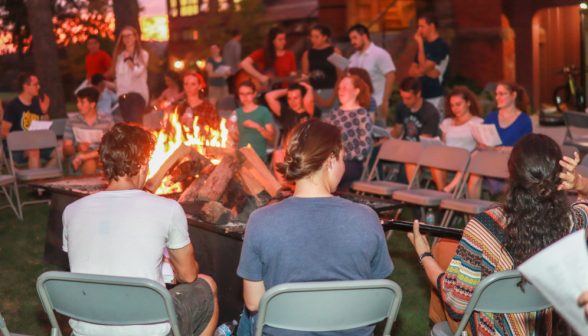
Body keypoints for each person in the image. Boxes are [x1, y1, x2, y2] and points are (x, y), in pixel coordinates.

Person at [408, 133, 588, 336]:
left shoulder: (482, 227)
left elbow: (457, 304)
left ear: (511, 172)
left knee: (443, 254)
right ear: (559, 175)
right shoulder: (572, 223)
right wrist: (580, 182)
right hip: (542, 330)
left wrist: (424, 254)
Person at [237, 119, 394, 336]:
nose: (343, 165)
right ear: (330, 160)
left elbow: (254, 302)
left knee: (248, 315)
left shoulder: (260, 220)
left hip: (285, 330)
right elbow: (378, 294)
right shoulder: (367, 218)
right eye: (342, 158)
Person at [63, 123, 218, 336]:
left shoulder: (72, 211)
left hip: (87, 329)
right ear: (144, 163)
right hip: (146, 329)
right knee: (207, 284)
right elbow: (189, 275)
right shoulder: (168, 208)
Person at [469, 81, 533, 198]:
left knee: (476, 162)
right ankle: (474, 213)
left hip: (509, 162)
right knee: (475, 171)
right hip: (489, 159)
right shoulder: (491, 117)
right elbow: (482, 141)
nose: (497, 97)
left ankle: (454, 186)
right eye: (496, 94)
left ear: (513, 95)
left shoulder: (524, 120)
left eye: (501, 94)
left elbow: (526, 150)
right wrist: (483, 144)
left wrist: (502, 149)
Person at [430, 86, 483, 192]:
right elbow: (444, 143)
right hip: (447, 159)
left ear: (468, 103)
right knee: (434, 161)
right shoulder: (447, 122)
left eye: (458, 104)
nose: (455, 108)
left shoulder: (477, 122)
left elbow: (480, 148)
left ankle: (445, 194)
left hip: (466, 161)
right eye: (452, 105)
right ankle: (442, 194)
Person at [1, 72, 57, 170]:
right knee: (34, 152)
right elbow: (4, 133)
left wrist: (44, 112)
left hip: (36, 143)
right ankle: (38, 182)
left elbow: (48, 129)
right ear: (26, 86)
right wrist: (24, 141)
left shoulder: (37, 103)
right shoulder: (13, 106)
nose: (39, 87)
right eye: (35, 84)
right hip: (18, 148)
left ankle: (42, 179)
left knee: (61, 152)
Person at [326, 75, 373, 190]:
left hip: (351, 162)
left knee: (329, 174)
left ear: (356, 91)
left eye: (345, 87)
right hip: (329, 161)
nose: (340, 91)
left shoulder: (361, 114)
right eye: (339, 88)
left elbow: (365, 146)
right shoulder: (333, 113)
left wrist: (342, 156)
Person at [390, 77, 439, 183]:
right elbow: (397, 131)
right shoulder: (401, 106)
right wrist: (386, 140)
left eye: (408, 98)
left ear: (418, 94)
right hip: (404, 146)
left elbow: (424, 141)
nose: (404, 101)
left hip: (419, 150)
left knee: (408, 163)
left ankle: (403, 194)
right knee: (377, 150)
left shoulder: (430, 112)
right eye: (402, 97)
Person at [265, 82, 315, 184]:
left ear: (302, 98)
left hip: (304, 154)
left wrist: (308, 89)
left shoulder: (308, 112)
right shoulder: (285, 113)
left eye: (296, 98)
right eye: (289, 98)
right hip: (288, 154)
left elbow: (309, 101)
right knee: (277, 153)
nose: (292, 102)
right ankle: (285, 187)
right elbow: (269, 96)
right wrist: (288, 90)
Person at [348, 24, 396, 122]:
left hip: (377, 102)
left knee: (378, 134)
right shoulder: (353, 58)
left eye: (355, 38)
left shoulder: (379, 54)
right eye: (351, 39)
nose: (352, 42)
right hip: (358, 106)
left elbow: (390, 76)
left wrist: (385, 101)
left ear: (364, 36)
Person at [63, 87, 114, 175]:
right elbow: (65, 149)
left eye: (82, 102)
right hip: (79, 154)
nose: (78, 105)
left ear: (92, 104)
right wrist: (77, 148)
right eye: (78, 102)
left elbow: (110, 147)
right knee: (89, 164)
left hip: (101, 155)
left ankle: (83, 158)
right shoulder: (72, 121)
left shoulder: (107, 121)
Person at [408, 13, 450, 121]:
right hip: (421, 96)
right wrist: (426, 70)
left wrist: (420, 44)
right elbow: (412, 71)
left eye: (422, 26)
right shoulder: (425, 45)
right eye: (418, 26)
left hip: (435, 95)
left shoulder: (441, 45)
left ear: (432, 26)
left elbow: (424, 68)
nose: (419, 30)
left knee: (436, 127)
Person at [107, 26, 149, 125]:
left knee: (136, 124)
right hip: (123, 95)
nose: (127, 39)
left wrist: (128, 60)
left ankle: (141, 140)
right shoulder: (119, 56)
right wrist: (113, 84)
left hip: (137, 94)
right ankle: (131, 140)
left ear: (135, 37)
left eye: (129, 36)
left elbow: (137, 73)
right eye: (124, 36)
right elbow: (119, 77)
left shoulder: (142, 54)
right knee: (128, 125)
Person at [301, 25, 342, 114]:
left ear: (325, 37)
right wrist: (316, 98)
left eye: (317, 37)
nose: (313, 39)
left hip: (332, 91)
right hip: (314, 92)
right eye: (312, 37)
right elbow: (305, 78)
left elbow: (342, 76)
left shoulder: (335, 51)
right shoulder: (307, 54)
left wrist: (332, 97)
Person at [232, 81, 274, 162]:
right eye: (242, 94)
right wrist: (231, 130)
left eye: (248, 93)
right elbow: (237, 138)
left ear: (254, 94)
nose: (245, 97)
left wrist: (257, 126)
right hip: (241, 156)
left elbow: (271, 136)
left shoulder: (263, 111)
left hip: (258, 155)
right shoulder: (237, 112)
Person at [176, 72, 220, 140]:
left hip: (203, 148)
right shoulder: (179, 108)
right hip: (183, 148)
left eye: (193, 84)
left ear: (200, 86)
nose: (189, 87)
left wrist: (198, 127)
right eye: (186, 84)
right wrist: (179, 124)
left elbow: (218, 134)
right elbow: (170, 134)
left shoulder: (209, 108)